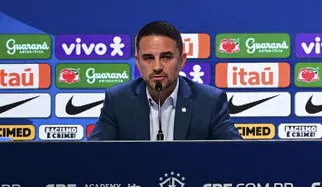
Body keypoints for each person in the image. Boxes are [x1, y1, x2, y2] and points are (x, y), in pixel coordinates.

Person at [87, 21, 241, 141]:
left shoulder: (210, 101)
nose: (157, 67)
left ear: (182, 60)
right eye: (148, 58)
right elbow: (93, 155)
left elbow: (237, 154)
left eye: (166, 57)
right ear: (138, 62)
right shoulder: (118, 100)